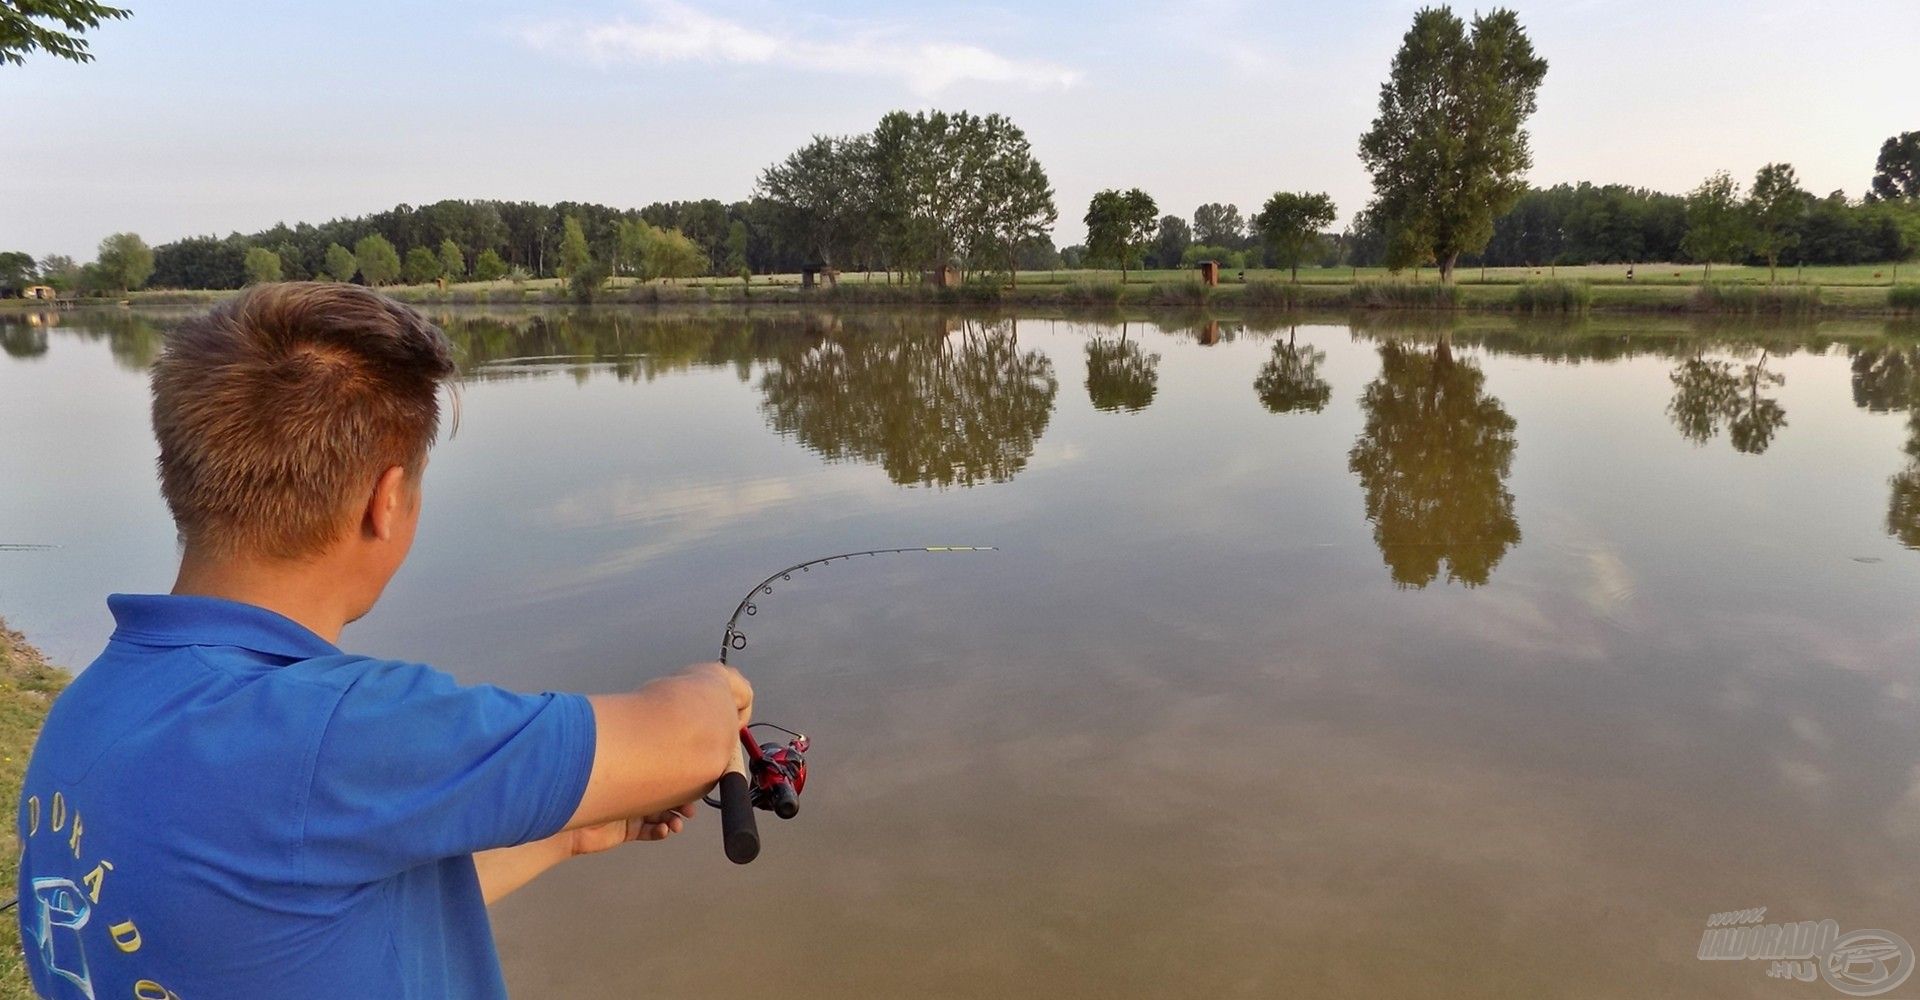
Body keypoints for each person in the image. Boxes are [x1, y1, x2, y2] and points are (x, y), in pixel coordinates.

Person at [15, 283, 753, 998]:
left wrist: (563, 837)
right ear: (387, 501)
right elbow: (686, 741)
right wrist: (714, 691)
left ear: (178, 474)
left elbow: (282, 905)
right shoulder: (337, 730)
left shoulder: (87, 712)